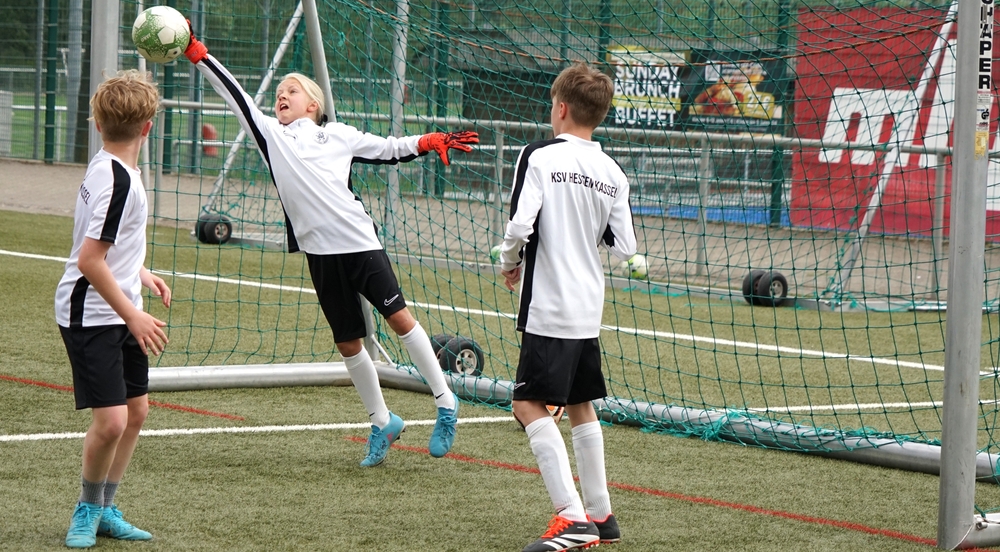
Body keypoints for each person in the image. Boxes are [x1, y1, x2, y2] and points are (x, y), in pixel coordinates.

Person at [183, 28, 478, 467]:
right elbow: (236, 96)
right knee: (348, 343)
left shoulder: (337, 134)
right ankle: (382, 421)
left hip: (359, 242)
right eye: (279, 92)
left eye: (292, 90)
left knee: (399, 319)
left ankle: (446, 401)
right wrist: (199, 55)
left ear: (313, 105)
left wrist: (427, 141)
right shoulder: (270, 134)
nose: (282, 95)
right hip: (320, 255)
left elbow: (389, 148)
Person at [497, 63, 636, 551]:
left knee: (525, 403)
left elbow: (520, 226)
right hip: (587, 307)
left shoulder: (538, 155)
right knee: (579, 403)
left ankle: (571, 517)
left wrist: (510, 262)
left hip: (550, 304)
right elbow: (625, 247)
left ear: (560, 108)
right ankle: (601, 514)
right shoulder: (613, 171)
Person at [55, 71, 171, 548]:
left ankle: (106, 508)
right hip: (91, 315)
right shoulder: (118, 181)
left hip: (118, 306)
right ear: (148, 128)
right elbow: (89, 259)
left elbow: (108, 241)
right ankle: (86, 508)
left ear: (98, 124)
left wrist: (139, 271)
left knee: (136, 412)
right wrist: (133, 314)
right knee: (112, 422)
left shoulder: (108, 165)